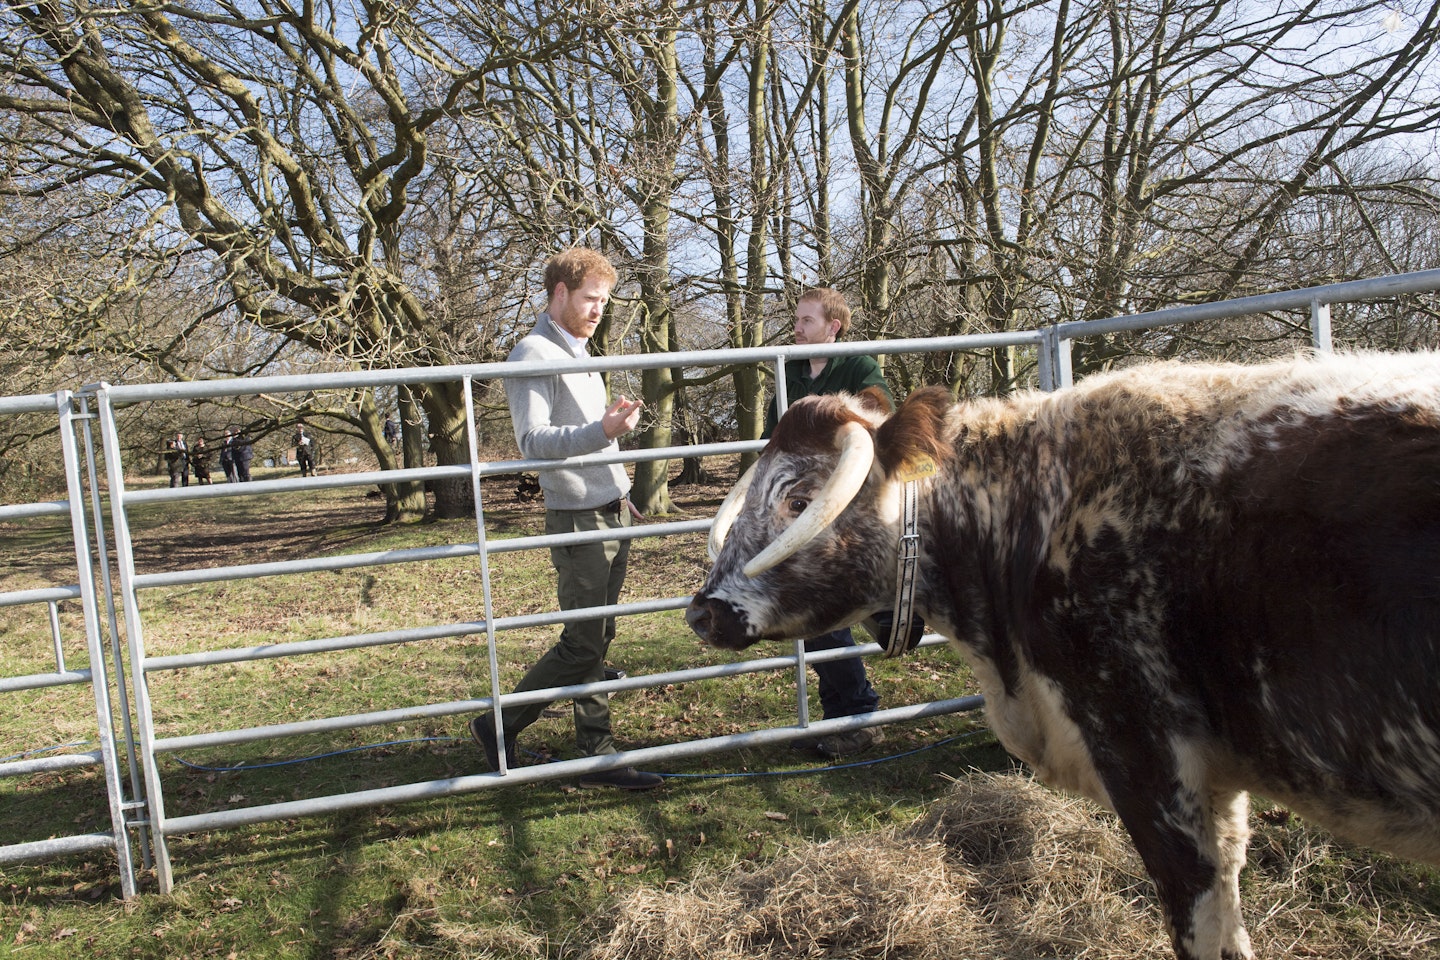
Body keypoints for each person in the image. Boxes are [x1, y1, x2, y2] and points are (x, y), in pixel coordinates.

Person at [469, 247, 661, 791]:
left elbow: (589, 438)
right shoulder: (532, 353)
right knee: (583, 642)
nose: (599, 309)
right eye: (590, 299)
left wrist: (619, 485)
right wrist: (604, 431)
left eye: (604, 300)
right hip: (577, 521)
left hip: (608, 511)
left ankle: (594, 751)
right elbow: (535, 443)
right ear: (559, 294)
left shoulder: (580, 351)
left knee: (598, 635)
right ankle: (502, 726)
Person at [762, 287, 890, 759]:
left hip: (844, 507)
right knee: (811, 609)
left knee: (818, 605)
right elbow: (772, 437)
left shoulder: (858, 367)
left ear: (833, 327)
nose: (796, 327)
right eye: (797, 319)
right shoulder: (788, 370)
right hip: (797, 506)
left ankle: (857, 713)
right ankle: (843, 716)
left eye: (806, 320)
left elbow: (878, 420)